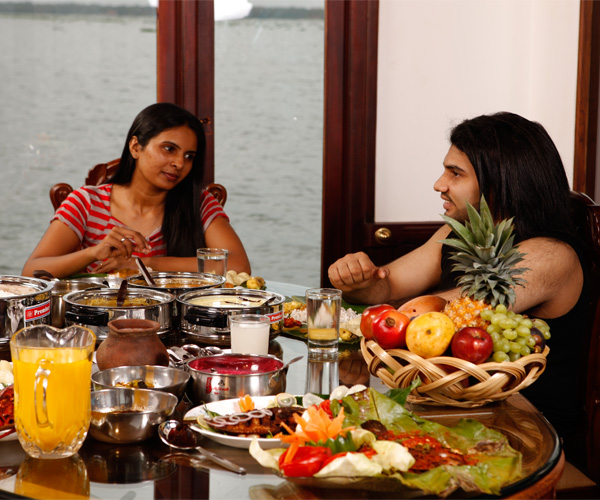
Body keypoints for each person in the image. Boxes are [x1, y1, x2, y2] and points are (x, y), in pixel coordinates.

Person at [328, 112, 591, 468]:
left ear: (501, 182)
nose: (439, 184)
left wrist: (387, 303)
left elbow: (440, 313)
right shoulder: (461, 230)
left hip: (524, 429)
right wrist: (359, 280)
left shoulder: (549, 255)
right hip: (454, 406)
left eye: (455, 173)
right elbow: (387, 285)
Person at [22, 103, 251, 278]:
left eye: (189, 156)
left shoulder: (198, 203)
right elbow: (31, 272)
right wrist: (93, 253)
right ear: (135, 147)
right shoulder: (86, 202)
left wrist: (142, 264)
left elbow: (239, 266)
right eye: (169, 149)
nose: (180, 164)